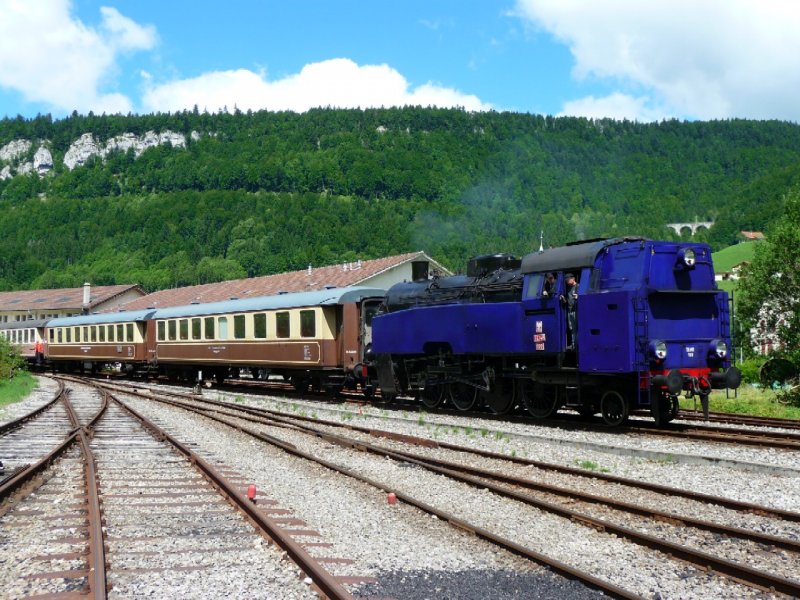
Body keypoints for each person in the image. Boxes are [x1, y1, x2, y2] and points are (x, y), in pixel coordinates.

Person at [562, 273, 578, 348]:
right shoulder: (568, 288)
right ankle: (574, 344)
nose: (567, 281)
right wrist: (563, 299)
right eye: (566, 280)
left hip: (576, 310)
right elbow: (567, 301)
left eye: (568, 280)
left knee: (577, 327)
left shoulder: (579, 286)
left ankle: (577, 344)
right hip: (570, 310)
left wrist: (578, 297)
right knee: (572, 328)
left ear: (573, 278)